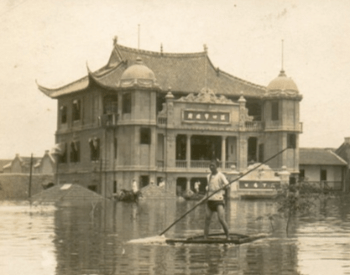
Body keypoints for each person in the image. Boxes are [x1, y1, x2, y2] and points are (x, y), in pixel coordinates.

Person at [204, 161, 230, 239]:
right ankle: (205, 237)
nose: (211, 167)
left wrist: (224, 187)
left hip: (218, 200)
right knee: (207, 219)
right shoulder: (208, 176)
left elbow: (227, 185)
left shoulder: (221, 175)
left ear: (217, 166)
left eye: (213, 166)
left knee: (221, 219)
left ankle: (228, 236)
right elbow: (208, 188)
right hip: (210, 200)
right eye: (210, 165)